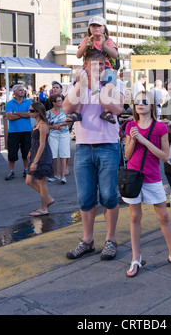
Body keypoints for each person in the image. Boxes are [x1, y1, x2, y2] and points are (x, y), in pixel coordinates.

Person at [123, 90, 171, 277]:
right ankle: (136, 258)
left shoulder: (160, 127)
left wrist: (144, 140)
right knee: (134, 217)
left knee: (163, 216)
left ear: (152, 105)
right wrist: (132, 138)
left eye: (145, 101)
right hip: (133, 177)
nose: (140, 104)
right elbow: (127, 155)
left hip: (152, 177)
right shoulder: (130, 125)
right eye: (137, 101)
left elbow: (165, 156)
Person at [63, 49, 124, 261]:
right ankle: (87, 240)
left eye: (101, 65)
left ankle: (111, 239)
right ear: (85, 67)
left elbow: (117, 109)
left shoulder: (113, 84)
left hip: (108, 145)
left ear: (105, 67)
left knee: (108, 195)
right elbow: (66, 108)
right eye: (93, 66)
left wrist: (97, 90)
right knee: (85, 197)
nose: (97, 69)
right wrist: (81, 85)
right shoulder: (76, 84)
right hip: (82, 146)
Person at [76, 15, 119, 124]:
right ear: (89, 29)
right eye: (93, 26)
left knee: (110, 82)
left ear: (104, 28)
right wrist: (85, 46)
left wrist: (104, 45)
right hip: (89, 68)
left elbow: (115, 55)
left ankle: (107, 110)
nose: (96, 28)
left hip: (105, 68)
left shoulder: (108, 40)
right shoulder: (86, 40)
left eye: (99, 26)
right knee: (79, 82)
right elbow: (78, 55)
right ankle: (77, 111)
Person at [25, 102, 55, 216]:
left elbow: (42, 145)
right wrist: (30, 151)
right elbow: (36, 142)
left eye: (32, 111)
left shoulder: (42, 125)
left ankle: (44, 208)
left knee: (41, 182)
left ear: (38, 112)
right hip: (35, 153)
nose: (29, 112)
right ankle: (48, 198)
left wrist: (35, 162)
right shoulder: (37, 124)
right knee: (29, 181)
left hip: (42, 156)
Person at [4, 84, 32, 180]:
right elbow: (9, 117)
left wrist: (15, 113)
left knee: (26, 152)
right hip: (13, 131)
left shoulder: (28, 102)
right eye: (20, 90)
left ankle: (26, 170)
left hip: (26, 131)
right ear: (14, 92)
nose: (22, 91)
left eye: (23, 90)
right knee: (12, 152)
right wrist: (23, 114)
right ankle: (11, 171)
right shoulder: (9, 103)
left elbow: (30, 114)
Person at [46, 93, 71, 184]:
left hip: (64, 134)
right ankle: (55, 174)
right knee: (53, 155)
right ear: (53, 102)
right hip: (53, 135)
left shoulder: (65, 110)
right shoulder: (48, 113)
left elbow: (69, 121)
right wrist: (54, 127)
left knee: (64, 155)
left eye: (61, 100)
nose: (61, 102)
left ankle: (63, 176)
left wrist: (59, 124)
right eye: (59, 100)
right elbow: (46, 125)